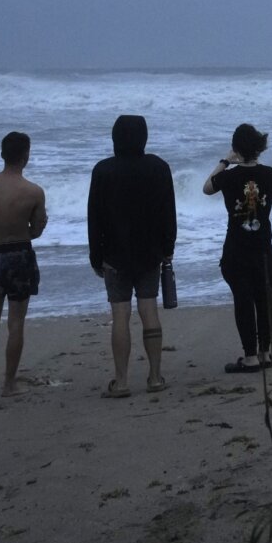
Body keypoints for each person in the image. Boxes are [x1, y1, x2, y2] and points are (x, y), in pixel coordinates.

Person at [86, 114, 176, 396]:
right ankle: (155, 377)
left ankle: (122, 381)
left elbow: (94, 218)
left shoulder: (103, 170)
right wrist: (168, 248)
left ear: (115, 138)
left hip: (114, 254)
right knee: (149, 310)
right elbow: (168, 213)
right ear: (144, 137)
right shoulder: (159, 167)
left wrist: (95, 256)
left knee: (120, 314)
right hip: (150, 252)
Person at [0, 130, 47, 398]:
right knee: (16, 322)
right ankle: (8, 384)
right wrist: (34, 227)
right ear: (26, 156)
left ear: (2, 154)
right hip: (19, 256)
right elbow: (35, 231)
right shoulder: (33, 191)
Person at [202, 123, 272, 374]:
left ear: (236, 148)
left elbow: (207, 188)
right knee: (266, 300)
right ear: (259, 147)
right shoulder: (268, 173)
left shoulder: (229, 176)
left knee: (243, 301)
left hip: (237, 249)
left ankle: (250, 357)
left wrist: (225, 161)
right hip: (263, 248)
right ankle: (264, 353)